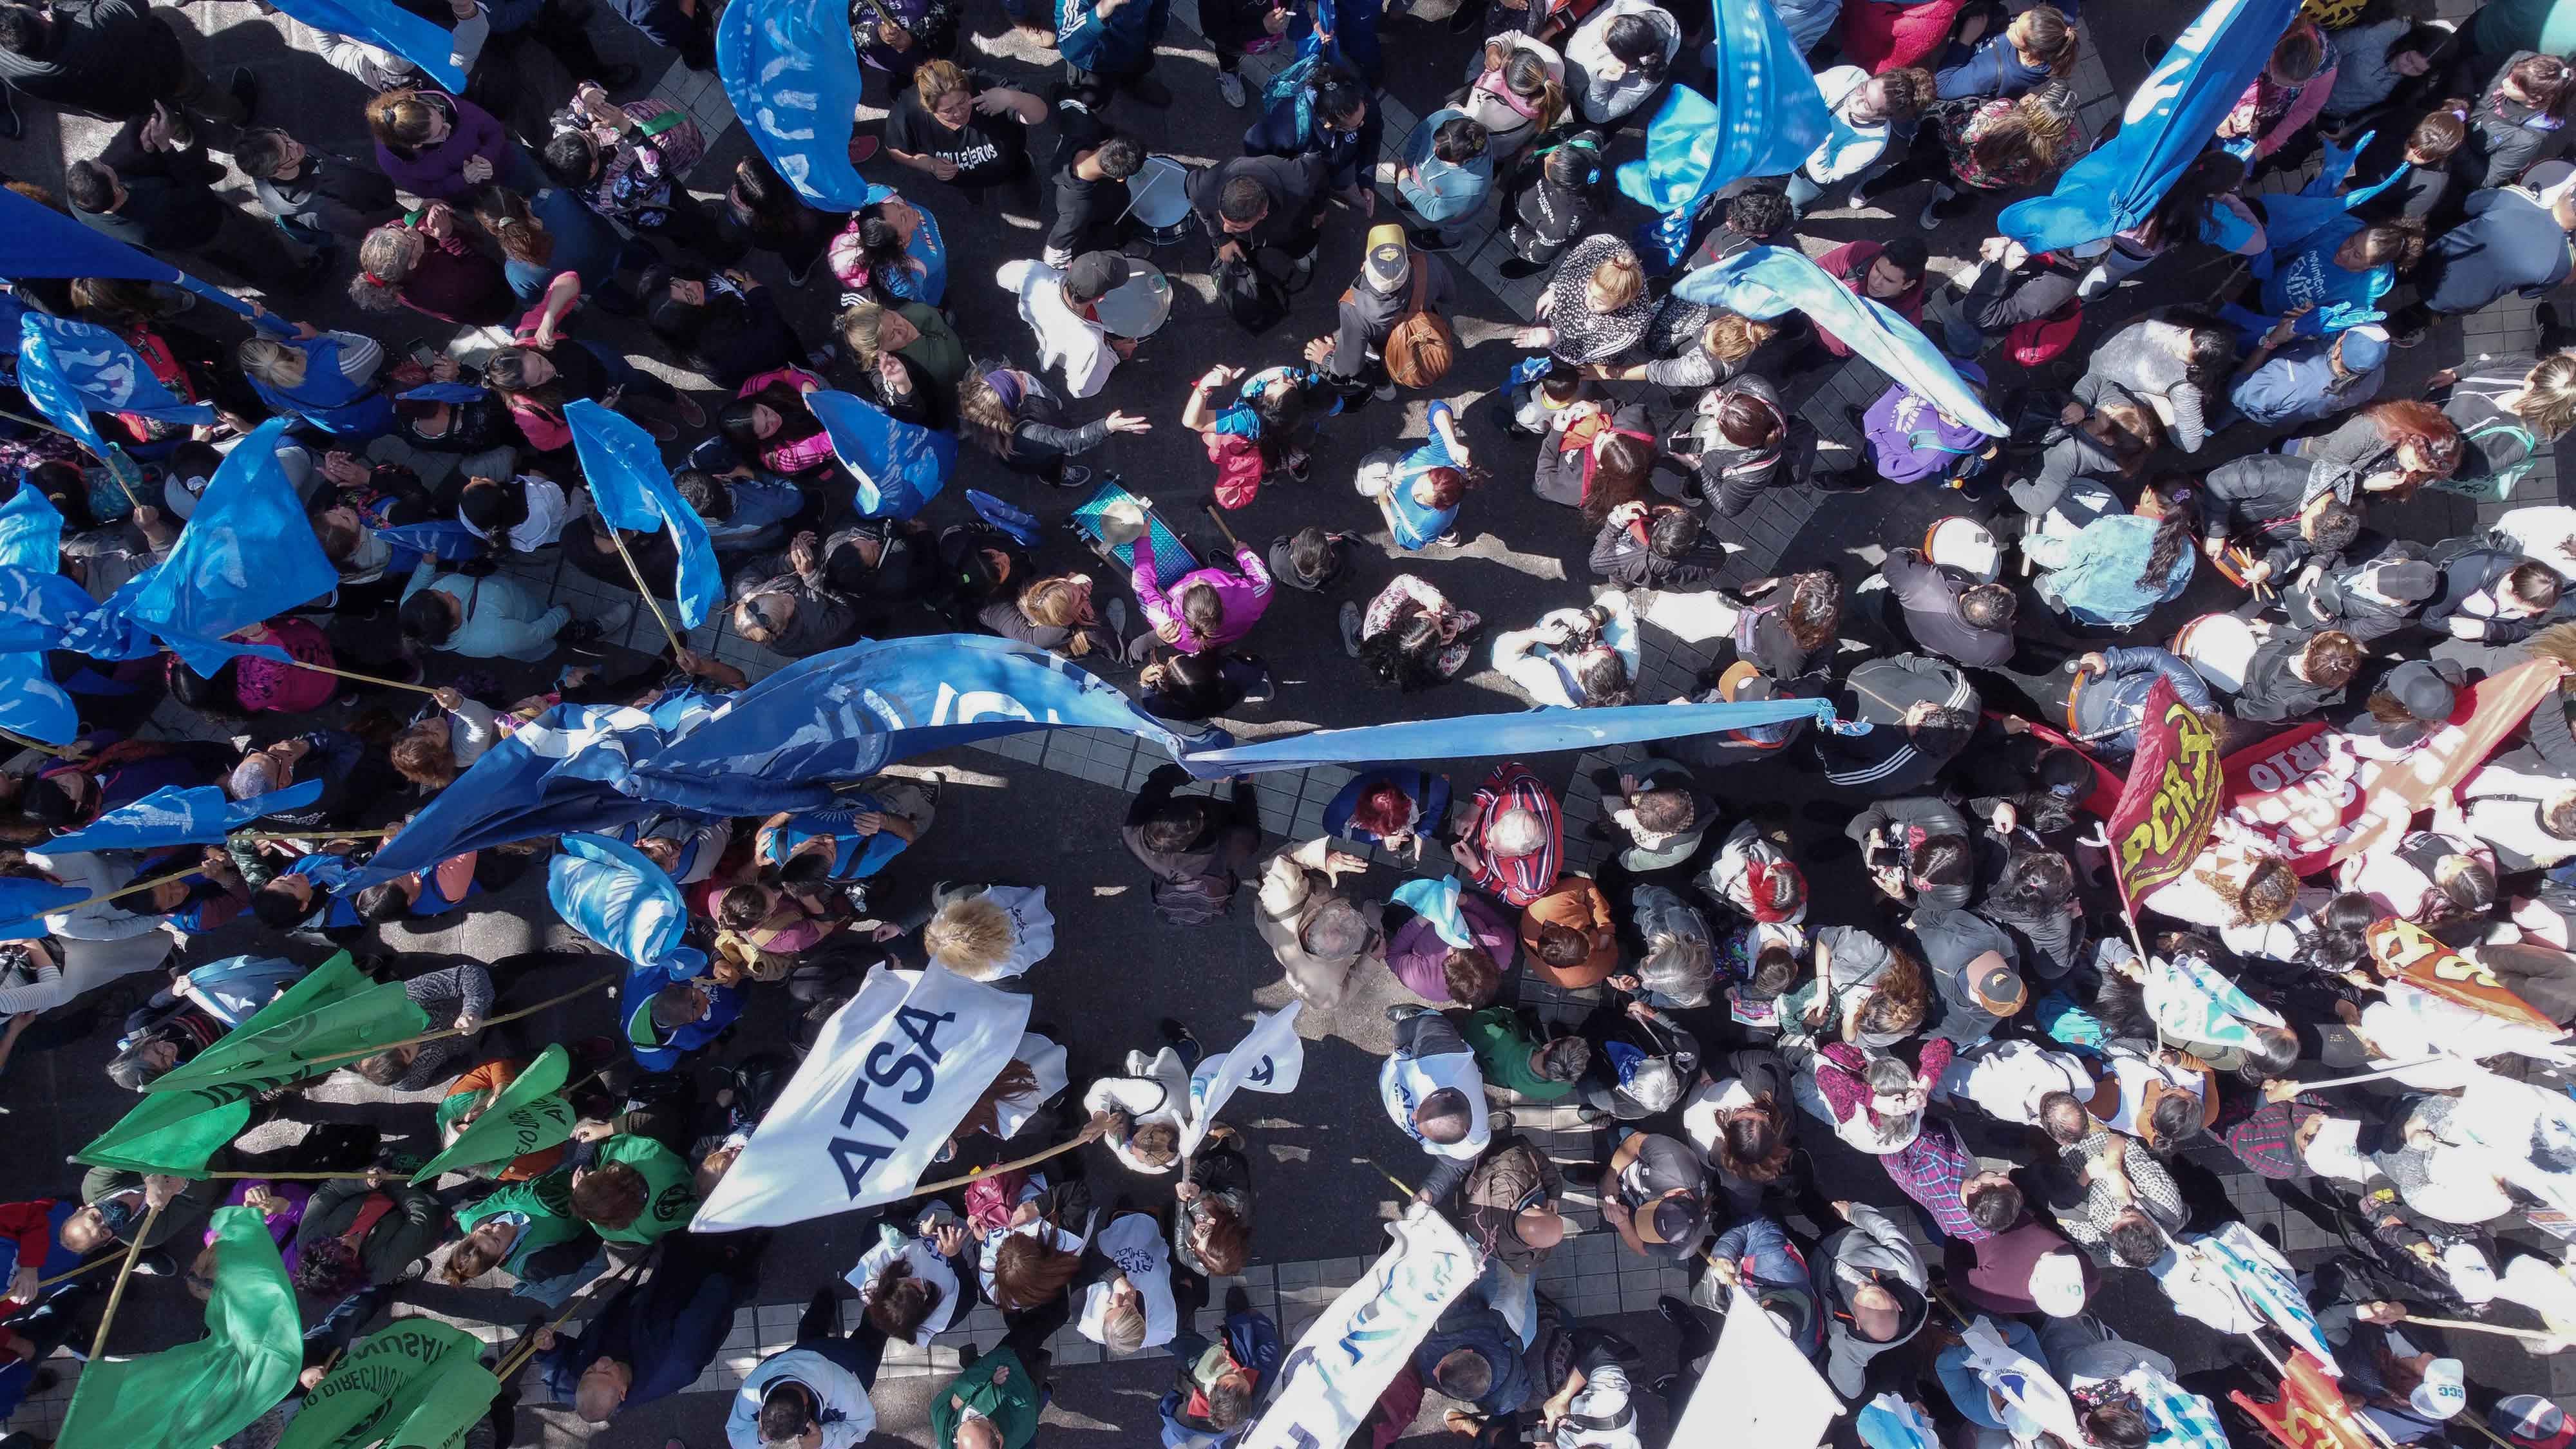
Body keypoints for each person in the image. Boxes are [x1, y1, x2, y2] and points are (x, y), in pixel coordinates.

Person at [66, 110, 312, 293]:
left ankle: (265, 279)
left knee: (235, 263)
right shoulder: (152, 215)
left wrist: (143, 136)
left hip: (192, 240)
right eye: (106, 169)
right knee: (260, 246)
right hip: (213, 228)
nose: (105, 162)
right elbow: (196, 193)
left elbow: (115, 159)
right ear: (117, 190)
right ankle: (296, 283)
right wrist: (165, 147)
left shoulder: (81, 200)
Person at [2387, 174, 2576, 343]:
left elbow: (2470, 204)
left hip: (2432, 259)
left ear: (2568, 190)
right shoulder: (2564, 262)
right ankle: (2393, 331)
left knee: (2394, 275)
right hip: (2458, 299)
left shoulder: (2515, 198)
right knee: (2419, 317)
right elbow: (2527, 293)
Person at [0, 0, 252, 126]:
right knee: (197, 93)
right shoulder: (99, 22)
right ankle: (238, 114)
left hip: (118, 104)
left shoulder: (8, 66)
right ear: (41, 18)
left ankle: (182, 132)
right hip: (163, 70)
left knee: (157, 119)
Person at [726, 1288, 882, 1449]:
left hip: (857, 1361)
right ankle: (826, 1297)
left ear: (806, 1411)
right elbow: (735, 1434)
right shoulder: (754, 1387)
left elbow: (862, 1424)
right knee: (812, 1328)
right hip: (807, 1349)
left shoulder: (847, 1391)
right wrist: (764, 1433)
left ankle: (884, 1298)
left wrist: (823, 1440)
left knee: (874, 1332)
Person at [1311, 225, 1454, 399]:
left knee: (1375, 363)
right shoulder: (1430, 265)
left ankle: (1385, 389)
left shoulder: (1354, 309)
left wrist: (1327, 357)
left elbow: (1349, 367)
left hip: (1384, 352)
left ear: (1366, 265)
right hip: (1426, 330)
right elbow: (1449, 296)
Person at [1811, 1199, 1931, 1397]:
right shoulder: (1909, 1273)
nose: (1861, 1283)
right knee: (1817, 1207)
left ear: (1857, 1323)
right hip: (1844, 1234)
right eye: (1874, 1288)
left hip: (1815, 1266)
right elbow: (1886, 1230)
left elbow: (1850, 1390)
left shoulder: (1850, 1345)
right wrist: (1852, 1212)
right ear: (1896, 1303)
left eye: (1858, 1294)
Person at [1381, 1003, 1492, 1200]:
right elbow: (1425, 1025)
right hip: (1426, 1040)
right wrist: (1399, 1037)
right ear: (1445, 1096)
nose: (1414, 1115)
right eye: (1421, 1109)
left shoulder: (1474, 1143)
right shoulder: (1443, 1051)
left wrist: (1431, 1191)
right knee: (1426, 1021)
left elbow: (1453, 1167)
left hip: (1402, 1072)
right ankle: (1415, 1013)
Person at [1122, 765, 1260, 924]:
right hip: (1222, 816)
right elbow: (1251, 831)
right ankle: (1240, 789)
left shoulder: (1134, 833)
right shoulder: (1223, 849)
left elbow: (1159, 779)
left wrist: (1197, 772)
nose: (1202, 813)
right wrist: (1243, 787)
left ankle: (1242, 789)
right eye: (1200, 818)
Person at [886, 61, 1046, 196]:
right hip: (963, 180)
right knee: (973, 192)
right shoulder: (908, 110)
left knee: (1023, 182)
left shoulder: (986, 87)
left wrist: (1011, 98)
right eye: (948, 111)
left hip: (1013, 164)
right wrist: (929, 164)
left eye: (963, 101)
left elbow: (1039, 115)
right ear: (929, 109)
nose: (959, 113)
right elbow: (895, 149)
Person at [1789, 65, 1929, 218]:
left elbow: (1825, 175)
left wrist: (1818, 141)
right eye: (1863, 88)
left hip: (1810, 171)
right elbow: (1806, 91)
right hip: (1793, 132)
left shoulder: (1874, 143)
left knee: (1792, 206)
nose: (1855, 99)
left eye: (1866, 105)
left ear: (1882, 116)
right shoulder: (1852, 75)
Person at [1191, 152, 1329, 285]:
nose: (1226, 229)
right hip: (1253, 233)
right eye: (1223, 218)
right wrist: (1222, 239)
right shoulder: (1205, 189)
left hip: (1288, 224)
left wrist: (1319, 209)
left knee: (1301, 236)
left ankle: (1302, 251)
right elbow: (1192, 192)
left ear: (1263, 214)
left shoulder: (1298, 181)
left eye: (1237, 227)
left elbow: (1318, 169)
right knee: (1241, 251)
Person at [1518, 234, 1653, 365]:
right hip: (1559, 321)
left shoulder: (1632, 327)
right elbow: (1578, 255)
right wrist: (1555, 286)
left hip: (1576, 347)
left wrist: (1552, 339)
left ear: (1624, 302)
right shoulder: (1606, 246)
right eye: (1589, 290)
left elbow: (1581, 352)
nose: (1589, 302)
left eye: (1599, 302)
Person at [1880, 544, 2016, 667]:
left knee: (1870, 594)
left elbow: (1892, 562)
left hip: (1887, 608)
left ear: (1975, 588)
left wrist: (1912, 554)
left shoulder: (1923, 585)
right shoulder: (1996, 651)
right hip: (1918, 645)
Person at [1564, 0, 1677, 124]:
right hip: (1568, 62)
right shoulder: (1634, 6)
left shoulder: (1644, 81)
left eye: (1604, 38)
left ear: (1622, 59)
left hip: (1580, 98)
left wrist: (1602, 80)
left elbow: (1596, 115)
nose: (1604, 23)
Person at [1395, 109, 1492, 252]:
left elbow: (1434, 211)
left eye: (1444, 158)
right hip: (1423, 187)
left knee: (1452, 230)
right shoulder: (1445, 117)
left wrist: (1405, 185)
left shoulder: (1469, 190)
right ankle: (1415, 202)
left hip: (1453, 219)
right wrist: (1409, 166)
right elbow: (1420, 134)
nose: (1434, 149)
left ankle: (1447, 243)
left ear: (1466, 160)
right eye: (1435, 144)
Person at [1056, 0, 1174, 106]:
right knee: (1092, 99)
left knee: (1144, 65)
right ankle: (1070, 100)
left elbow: (1160, 4)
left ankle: (1130, 84)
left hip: (1135, 44)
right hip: (1096, 61)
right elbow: (1066, 43)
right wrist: (1099, 13)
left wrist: (1156, 32)